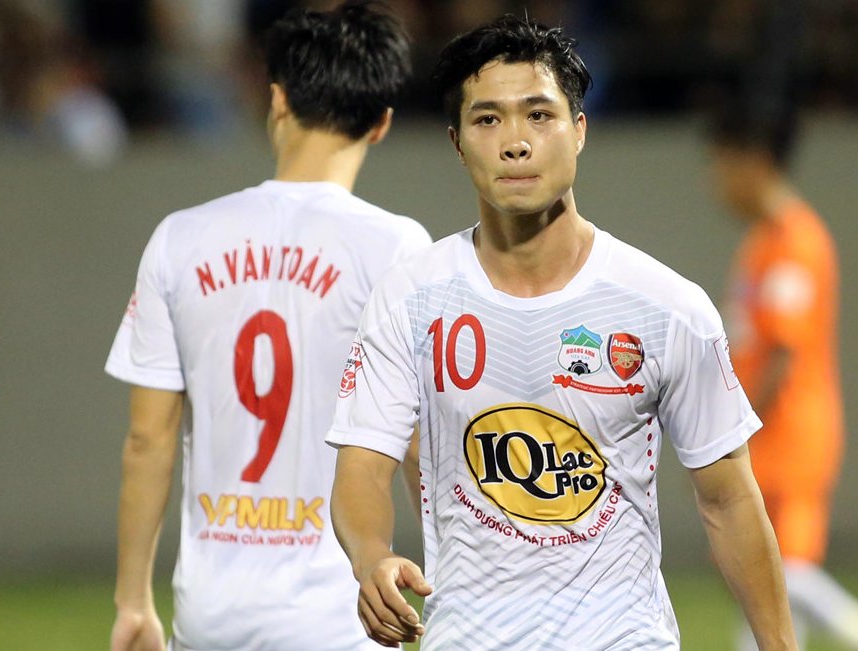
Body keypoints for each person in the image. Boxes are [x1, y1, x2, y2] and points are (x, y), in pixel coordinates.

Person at [326, 14, 798, 650]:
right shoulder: (410, 298)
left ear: (579, 130)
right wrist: (371, 557)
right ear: (457, 143)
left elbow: (730, 502)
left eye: (539, 115)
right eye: (487, 120)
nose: (515, 142)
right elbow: (361, 466)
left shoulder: (667, 308)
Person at [104, 3, 431, 650]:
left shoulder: (180, 238)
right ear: (382, 123)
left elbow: (148, 439)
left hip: (213, 613)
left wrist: (133, 599)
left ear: (277, 99)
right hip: (341, 615)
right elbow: (422, 446)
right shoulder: (397, 247)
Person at [712, 109, 858, 651]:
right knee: (762, 576)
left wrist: (731, 432)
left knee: (785, 573)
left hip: (791, 434)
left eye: (723, 166)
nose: (717, 183)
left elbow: (781, 353)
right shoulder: (763, 242)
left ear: (755, 162)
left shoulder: (796, 243)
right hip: (767, 434)